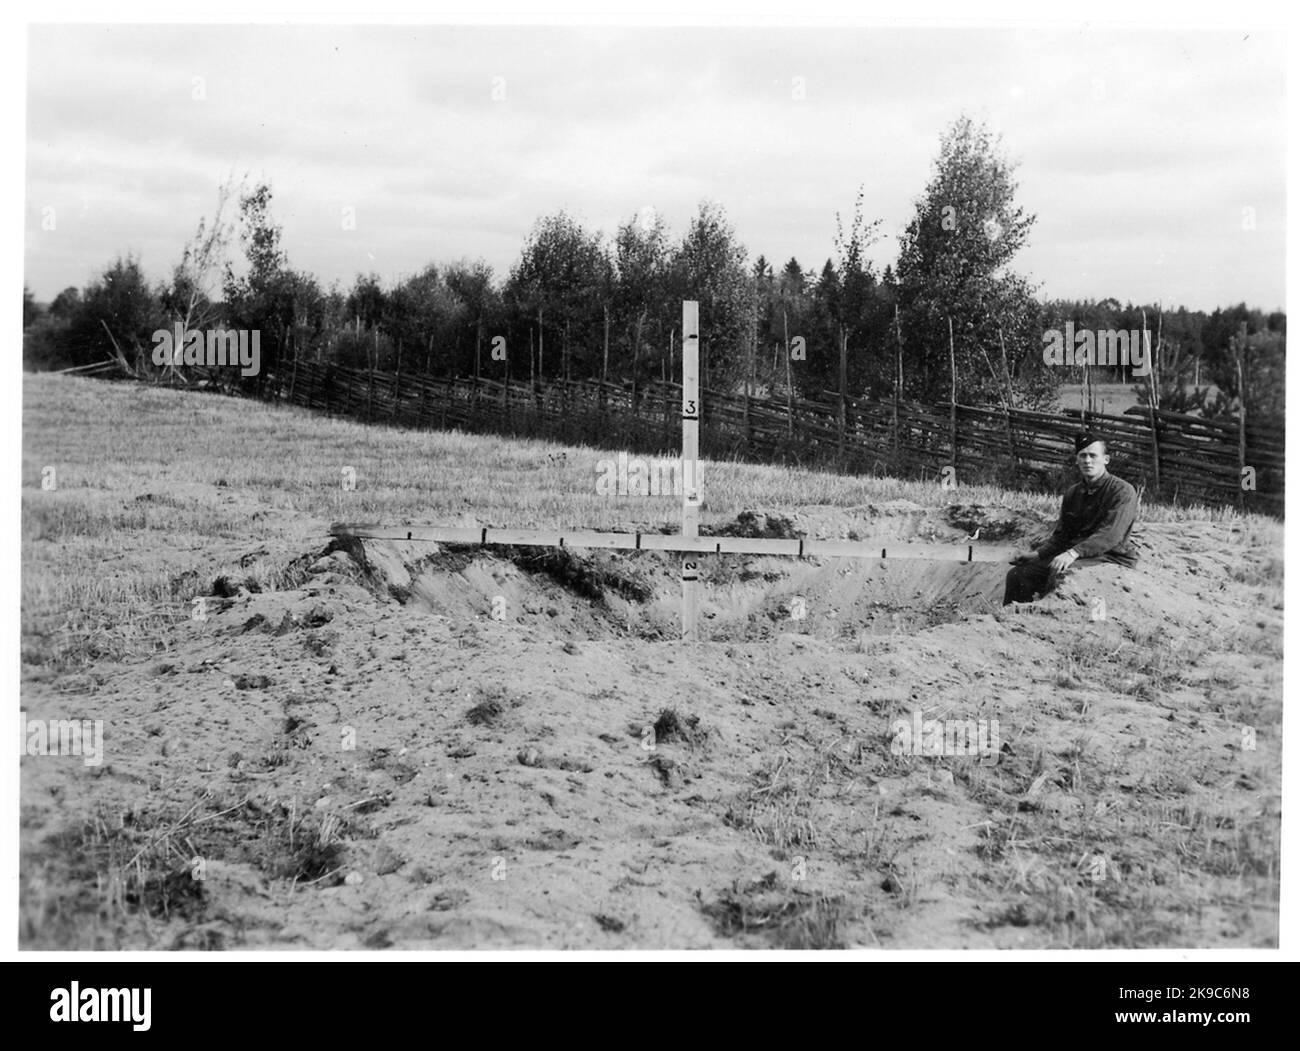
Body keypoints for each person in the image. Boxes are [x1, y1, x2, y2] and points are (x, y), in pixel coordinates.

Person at [1003, 432, 1139, 605]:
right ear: (1077, 460)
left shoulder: (1122, 491)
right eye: (1083, 455)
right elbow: (1062, 536)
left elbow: (1110, 535)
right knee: (1018, 575)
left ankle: (1055, 621)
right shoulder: (1073, 493)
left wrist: (1073, 553)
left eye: (1093, 455)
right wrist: (1036, 555)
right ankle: (1012, 623)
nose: (1087, 461)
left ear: (1106, 459)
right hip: (1080, 556)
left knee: (1061, 574)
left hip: (1111, 556)